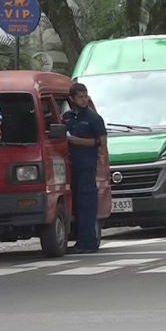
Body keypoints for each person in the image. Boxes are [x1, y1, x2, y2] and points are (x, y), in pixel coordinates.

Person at [63, 83, 105, 253]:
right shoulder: (67, 117)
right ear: (72, 99)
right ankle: (80, 239)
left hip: (87, 166)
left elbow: (101, 143)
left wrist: (76, 141)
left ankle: (88, 242)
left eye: (85, 96)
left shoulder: (94, 118)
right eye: (80, 96)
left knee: (87, 204)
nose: (84, 99)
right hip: (70, 166)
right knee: (76, 205)